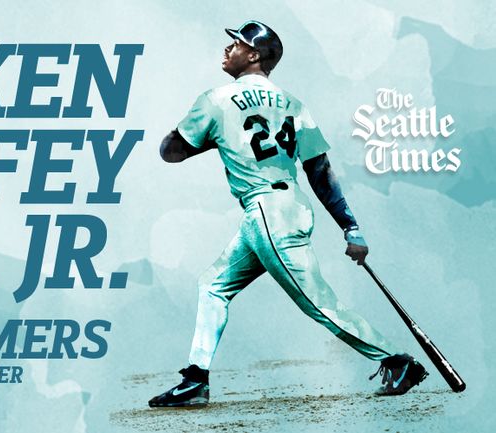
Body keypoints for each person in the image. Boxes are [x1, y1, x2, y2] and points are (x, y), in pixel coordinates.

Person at [148, 20, 428, 408]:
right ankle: (196, 378)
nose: (228, 48)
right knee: (213, 284)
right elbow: (320, 172)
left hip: (267, 212)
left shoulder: (216, 99)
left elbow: (170, 151)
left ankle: (396, 361)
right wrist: (352, 228)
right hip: (286, 209)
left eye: (237, 44)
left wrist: (207, 137)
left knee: (317, 301)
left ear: (255, 55)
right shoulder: (294, 104)